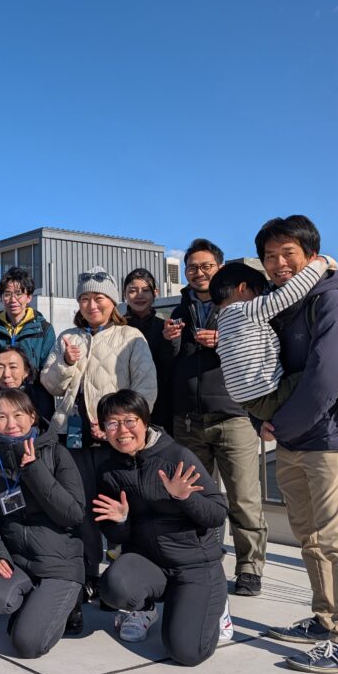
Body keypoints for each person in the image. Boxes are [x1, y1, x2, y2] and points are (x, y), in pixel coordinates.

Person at [255, 215, 338, 673]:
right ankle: (326, 620)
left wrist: (279, 424)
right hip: (293, 441)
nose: (279, 263)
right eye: (270, 256)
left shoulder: (334, 301)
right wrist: (262, 419)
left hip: (330, 442)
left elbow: (330, 377)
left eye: (288, 253)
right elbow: (265, 375)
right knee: (311, 538)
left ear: (312, 256)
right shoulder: (282, 306)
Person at [39, 267, 156, 599]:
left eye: (99, 298)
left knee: (120, 507)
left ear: (112, 301)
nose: (92, 305)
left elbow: (146, 389)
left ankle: (124, 577)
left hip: (116, 440)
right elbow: (49, 383)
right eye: (85, 299)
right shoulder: (68, 337)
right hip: (74, 437)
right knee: (82, 507)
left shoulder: (130, 336)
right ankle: (89, 571)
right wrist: (65, 362)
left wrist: (118, 428)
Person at [92, 389, 231, 667]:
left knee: (187, 652)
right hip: (149, 563)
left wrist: (184, 497)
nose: (122, 430)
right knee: (113, 587)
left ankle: (216, 605)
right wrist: (121, 520)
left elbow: (217, 513)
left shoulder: (177, 456)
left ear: (145, 421)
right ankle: (145, 609)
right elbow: (116, 535)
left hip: (193, 566)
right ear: (103, 429)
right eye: (113, 423)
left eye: (130, 421)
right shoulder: (108, 469)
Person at [163, 240, 266, 598]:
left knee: (244, 498)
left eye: (206, 266)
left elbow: (258, 352)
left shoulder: (241, 307)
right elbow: (168, 366)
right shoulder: (178, 311)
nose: (199, 273)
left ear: (219, 268)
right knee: (193, 497)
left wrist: (224, 341)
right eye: (192, 267)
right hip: (188, 420)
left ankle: (249, 567)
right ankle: (200, 558)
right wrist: (169, 342)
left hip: (233, 416)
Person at [210, 258, 338, 446]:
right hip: (269, 397)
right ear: (243, 288)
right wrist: (321, 263)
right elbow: (289, 294)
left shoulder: (222, 321)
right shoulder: (245, 310)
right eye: (260, 293)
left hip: (250, 404)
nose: (262, 298)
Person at [0, 388, 85, 657]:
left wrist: (34, 470)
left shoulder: (56, 454)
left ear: (32, 416)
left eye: (18, 415)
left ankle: (69, 601)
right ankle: (34, 604)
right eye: (1, 417)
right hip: (19, 562)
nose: (10, 423)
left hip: (58, 565)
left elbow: (73, 514)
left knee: (28, 644)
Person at [0, 266, 56, 411]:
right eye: (7, 294)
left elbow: (47, 372)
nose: (13, 300)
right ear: (1, 297)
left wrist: (38, 410)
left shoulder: (44, 329)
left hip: (33, 408)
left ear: (29, 297)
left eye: (19, 293)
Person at [123, 268, 175, 431]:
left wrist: (169, 341)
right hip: (123, 406)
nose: (139, 295)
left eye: (145, 290)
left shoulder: (165, 327)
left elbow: (170, 367)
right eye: (133, 291)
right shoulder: (116, 328)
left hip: (161, 408)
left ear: (155, 293)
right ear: (124, 294)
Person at [0, 347, 55, 449]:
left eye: (13, 367)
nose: (6, 374)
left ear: (26, 371)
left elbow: (47, 433)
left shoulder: (39, 395)